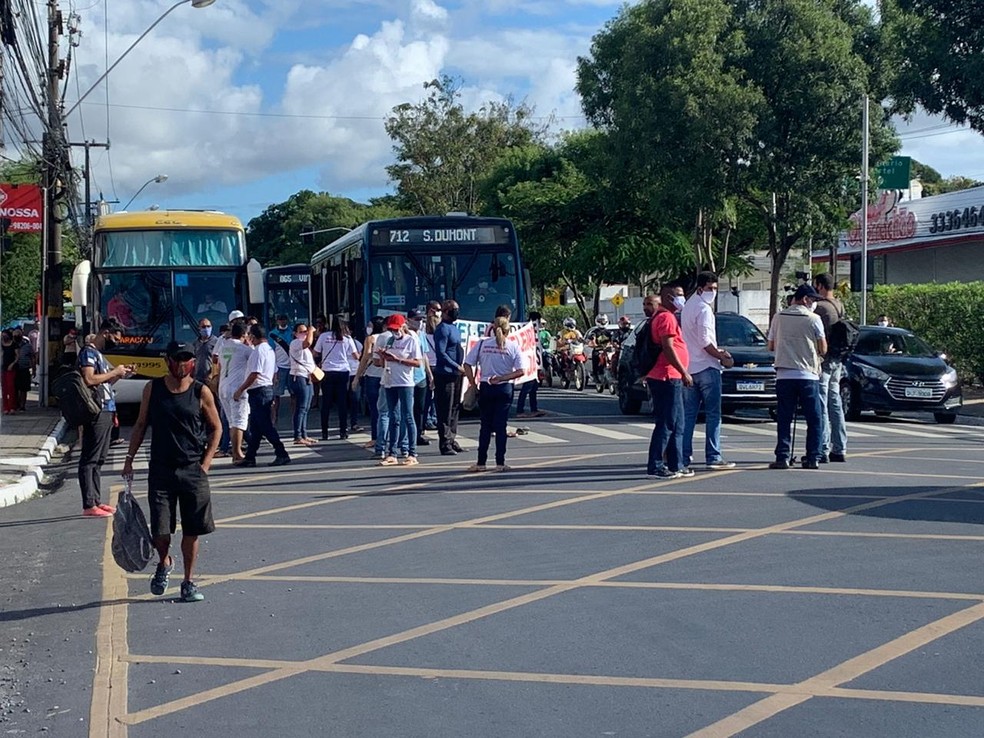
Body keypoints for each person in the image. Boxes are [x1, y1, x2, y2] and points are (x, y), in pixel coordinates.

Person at [121, 341, 221, 603]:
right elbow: (141, 424)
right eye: (177, 358)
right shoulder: (152, 389)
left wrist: (206, 463)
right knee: (161, 532)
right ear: (168, 360)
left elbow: (216, 428)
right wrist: (129, 459)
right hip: (161, 470)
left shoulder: (201, 391)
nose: (182, 364)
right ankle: (164, 562)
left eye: (186, 358)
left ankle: (188, 582)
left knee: (192, 530)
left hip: (192, 471)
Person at [766, 284, 827, 470]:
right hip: (808, 374)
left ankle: (782, 456)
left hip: (784, 373)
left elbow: (770, 346)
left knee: (784, 417)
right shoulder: (814, 319)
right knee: (814, 418)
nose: (814, 303)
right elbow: (823, 348)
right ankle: (812, 457)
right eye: (813, 299)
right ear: (805, 299)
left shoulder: (779, 317)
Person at [78, 319, 134, 517]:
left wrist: (120, 374)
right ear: (106, 332)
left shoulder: (100, 355)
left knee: (100, 458)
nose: (116, 342)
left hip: (107, 408)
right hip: (96, 409)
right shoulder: (88, 353)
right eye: (115, 338)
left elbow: (106, 381)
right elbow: (89, 378)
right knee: (90, 458)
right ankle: (88, 504)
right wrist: (114, 371)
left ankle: (96, 500)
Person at [681, 271, 736, 471]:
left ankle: (683, 456)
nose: (713, 292)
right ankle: (713, 456)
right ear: (700, 288)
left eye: (715, 288)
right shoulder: (704, 309)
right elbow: (705, 341)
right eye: (710, 288)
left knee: (689, 415)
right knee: (713, 414)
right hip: (707, 366)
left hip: (690, 366)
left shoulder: (688, 306)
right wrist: (720, 355)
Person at [463, 316, 525, 472]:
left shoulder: (483, 344)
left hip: (486, 386)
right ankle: (500, 463)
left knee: (485, 426)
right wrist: (503, 377)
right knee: (500, 427)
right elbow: (521, 371)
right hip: (504, 388)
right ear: (508, 329)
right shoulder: (513, 346)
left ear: (492, 328)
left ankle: (481, 463)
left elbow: (467, 364)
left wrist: (473, 383)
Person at [646, 284, 694, 480]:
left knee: (677, 423)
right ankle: (656, 465)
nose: (682, 299)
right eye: (679, 295)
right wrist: (684, 372)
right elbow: (668, 346)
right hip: (667, 376)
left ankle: (676, 464)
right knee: (666, 423)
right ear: (668, 296)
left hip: (671, 376)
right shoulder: (666, 317)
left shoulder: (666, 316)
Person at [234, 324, 290, 467]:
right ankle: (250, 456)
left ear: (253, 336)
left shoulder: (259, 351)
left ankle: (281, 452)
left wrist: (241, 389)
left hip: (259, 390)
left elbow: (255, 373)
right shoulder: (269, 350)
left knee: (265, 426)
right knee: (256, 428)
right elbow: (274, 373)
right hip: (264, 389)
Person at [375, 313, 422, 465]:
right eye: (391, 329)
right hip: (390, 381)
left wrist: (398, 359)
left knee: (408, 416)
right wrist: (383, 356)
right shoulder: (389, 340)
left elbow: (417, 363)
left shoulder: (411, 340)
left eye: (396, 329)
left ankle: (412, 452)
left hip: (405, 382)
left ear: (403, 326)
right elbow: (382, 364)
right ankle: (392, 453)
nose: (395, 332)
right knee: (394, 417)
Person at [812, 273, 848, 463]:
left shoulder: (820, 308)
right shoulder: (839, 305)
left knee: (822, 402)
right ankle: (840, 447)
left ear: (819, 286)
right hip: (838, 358)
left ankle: (823, 448)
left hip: (824, 359)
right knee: (835, 402)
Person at [313, 319, 360, 440]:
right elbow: (355, 356)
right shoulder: (348, 339)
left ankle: (324, 432)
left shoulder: (324, 336)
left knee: (326, 403)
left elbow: (316, 353)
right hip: (343, 372)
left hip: (327, 371)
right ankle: (343, 431)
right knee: (342, 402)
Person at [433, 299, 466, 456]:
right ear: (445, 311)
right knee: (445, 410)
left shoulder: (454, 328)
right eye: (453, 309)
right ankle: (445, 444)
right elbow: (441, 353)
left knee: (455, 408)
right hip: (445, 374)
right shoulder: (442, 329)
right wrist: (456, 365)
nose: (456, 312)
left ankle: (452, 439)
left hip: (456, 374)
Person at [217, 321, 253, 462]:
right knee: (239, 421)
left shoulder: (224, 347)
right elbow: (254, 360)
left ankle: (234, 451)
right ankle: (237, 452)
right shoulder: (244, 349)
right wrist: (249, 344)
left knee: (232, 421)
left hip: (223, 386)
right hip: (237, 388)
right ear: (244, 334)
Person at [353, 316, 386, 451]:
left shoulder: (371, 339)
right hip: (386, 375)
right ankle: (387, 436)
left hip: (372, 375)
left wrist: (357, 377)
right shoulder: (387, 337)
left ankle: (375, 437)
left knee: (375, 409)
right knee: (387, 409)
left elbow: (365, 357)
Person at [406, 309, 435, 447]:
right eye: (417, 319)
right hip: (408, 376)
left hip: (421, 376)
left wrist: (429, 375)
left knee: (420, 408)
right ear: (409, 320)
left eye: (421, 320)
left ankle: (418, 433)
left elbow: (425, 356)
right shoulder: (405, 335)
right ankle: (408, 436)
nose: (419, 322)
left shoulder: (422, 335)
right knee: (408, 408)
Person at [288, 321, 318, 446]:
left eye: (306, 331)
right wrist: (311, 331)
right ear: (295, 334)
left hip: (307, 376)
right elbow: (308, 343)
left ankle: (304, 434)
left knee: (305, 407)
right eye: (301, 332)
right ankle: (298, 435)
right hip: (298, 377)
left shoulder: (303, 346)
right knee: (301, 407)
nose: (305, 333)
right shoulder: (296, 343)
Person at [268, 315, 293, 424]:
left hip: (292, 367)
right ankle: (274, 417)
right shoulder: (272, 334)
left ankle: (294, 418)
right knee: (276, 394)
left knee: (294, 394)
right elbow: (271, 351)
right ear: (277, 321)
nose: (282, 321)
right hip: (279, 367)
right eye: (280, 319)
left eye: (283, 319)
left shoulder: (292, 332)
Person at [13, 327, 34, 411]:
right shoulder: (11, 345)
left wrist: (34, 369)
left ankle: (22, 405)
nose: (17, 336)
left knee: (24, 388)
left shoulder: (27, 346)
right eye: (15, 335)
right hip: (14, 369)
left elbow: (32, 357)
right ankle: (16, 404)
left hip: (24, 369)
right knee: (15, 388)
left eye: (19, 334)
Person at [1, 329, 17, 414]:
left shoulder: (13, 344)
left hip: (11, 368)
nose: (3, 337)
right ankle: (5, 407)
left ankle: (12, 407)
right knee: (4, 388)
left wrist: (12, 364)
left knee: (11, 388)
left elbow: (17, 356)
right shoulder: (1, 345)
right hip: (3, 368)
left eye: (5, 335)